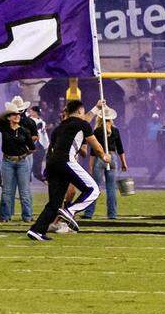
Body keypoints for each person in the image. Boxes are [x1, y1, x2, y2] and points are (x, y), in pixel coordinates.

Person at [27, 99, 107, 242]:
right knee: (93, 189)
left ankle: (36, 230)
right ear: (79, 112)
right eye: (83, 113)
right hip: (66, 161)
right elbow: (96, 145)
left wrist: (96, 108)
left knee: (54, 203)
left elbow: (84, 121)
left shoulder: (59, 128)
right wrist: (104, 156)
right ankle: (70, 211)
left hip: (51, 165)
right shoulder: (82, 124)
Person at [0, 94, 37, 223]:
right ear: (9, 117)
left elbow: (32, 147)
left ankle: (27, 216)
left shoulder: (25, 130)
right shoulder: (4, 127)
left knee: (24, 191)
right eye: (14, 114)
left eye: (18, 114)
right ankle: (5, 217)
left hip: (21, 161)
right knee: (7, 191)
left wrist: (23, 154)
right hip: (7, 161)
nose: (17, 115)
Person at [85, 103, 127, 220]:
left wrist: (91, 166)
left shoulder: (97, 131)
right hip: (112, 157)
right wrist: (124, 163)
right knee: (111, 187)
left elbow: (93, 151)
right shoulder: (115, 131)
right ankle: (112, 214)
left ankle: (89, 213)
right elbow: (120, 148)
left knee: (95, 187)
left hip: (100, 157)